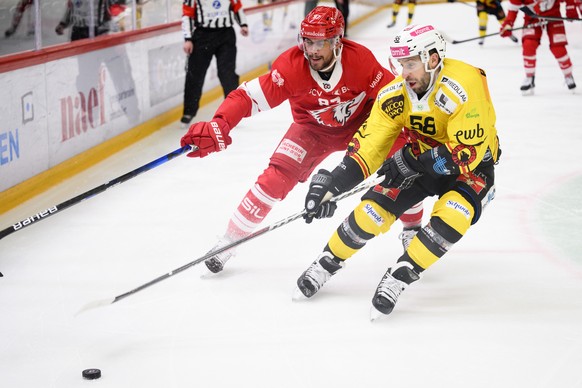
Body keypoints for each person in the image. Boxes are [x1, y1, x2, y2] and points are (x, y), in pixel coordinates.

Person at [179, 6, 424, 274]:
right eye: (308, 41)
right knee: (274, 178)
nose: (312, 50)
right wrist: (220, 122)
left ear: (337, 42)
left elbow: (396, 100)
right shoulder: (290, 66)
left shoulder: (360, 61)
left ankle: (412, 227)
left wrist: (418, 135)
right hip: (311, 131)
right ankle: (229, 240)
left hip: (363, 127)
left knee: (404, 162)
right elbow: (247, 96)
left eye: (320, 43)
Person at [294, 24, 500, 320]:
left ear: (432, 59)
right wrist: (333, 184)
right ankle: (326, 262)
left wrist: (411, 162)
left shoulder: (465, 83)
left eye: (411, 63)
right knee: (370, 213)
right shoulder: (396, 94)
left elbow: (464, 152)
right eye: (401, 64)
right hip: (420, 160)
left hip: (471, 167)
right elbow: (369, 146)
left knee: (453, 216)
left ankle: (402, 274)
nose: (404, 73)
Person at [180, 0, 249, 127]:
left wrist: (243, 24)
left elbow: (237, 7)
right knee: (195, 74)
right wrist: (188, 38)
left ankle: (233, 110)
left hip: (226, 35)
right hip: (202, 36)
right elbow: (187, 15)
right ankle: (189, 112)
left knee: (227, 74)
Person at [500, 0, 578, 94]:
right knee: (528, 44)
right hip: (532, 18)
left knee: (558, 48)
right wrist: (508, 24)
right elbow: (513, 9)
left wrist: (571, 8)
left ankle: (568, 75)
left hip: (553, 16)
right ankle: (529, 77)